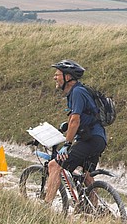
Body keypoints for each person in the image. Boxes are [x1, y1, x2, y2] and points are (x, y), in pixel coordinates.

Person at [43, 59, 107, 207]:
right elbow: (79, 118)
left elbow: (75, 121)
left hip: (89, 140)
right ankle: (94, 209)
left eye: (57, 74)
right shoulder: (78, 91)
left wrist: (67, 144)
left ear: (68, 77)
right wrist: (68, 124)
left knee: (55, 165)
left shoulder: (77, 92)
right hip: (98, 138)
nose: (55, 77)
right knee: (87, 175)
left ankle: (46, 206)